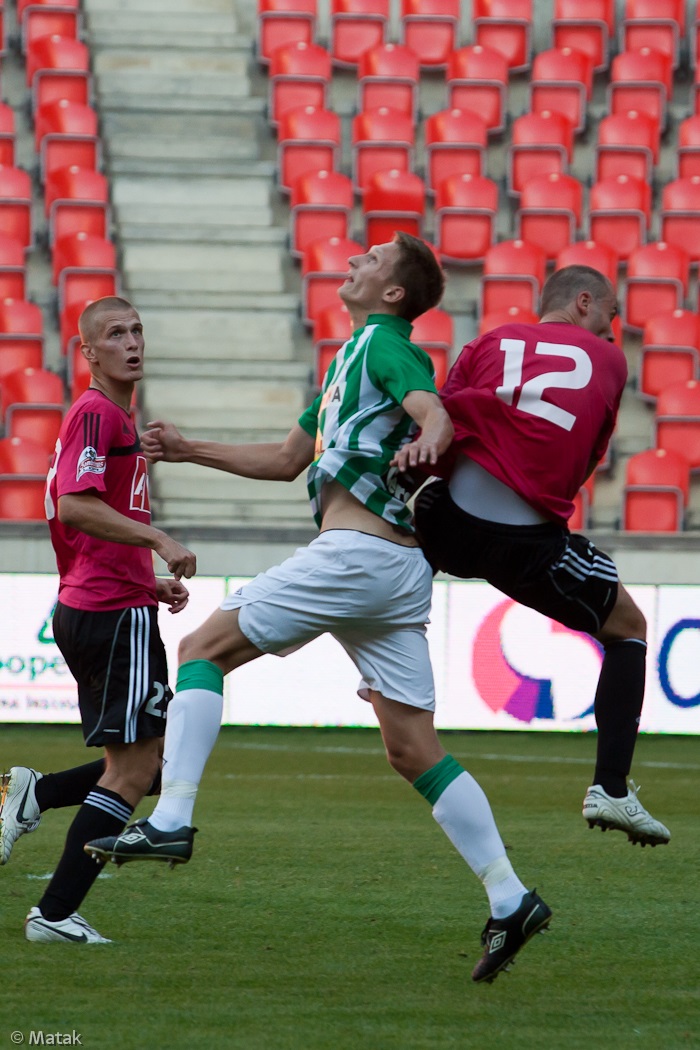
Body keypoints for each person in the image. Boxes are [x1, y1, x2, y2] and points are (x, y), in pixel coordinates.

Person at [86, 233, 552, 984]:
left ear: (393, 293)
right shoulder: (346, 365)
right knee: (412, 749)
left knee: (203, 649)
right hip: (395, 571)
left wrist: (430, 438)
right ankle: (510, 895)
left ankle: (171, 818)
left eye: (370, 259)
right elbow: (283, 459)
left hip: (357, 557)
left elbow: (434, 411)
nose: (355, 261)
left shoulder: (381, 344)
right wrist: (183, 448)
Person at [404, 264, 669, 848]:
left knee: (400, 539)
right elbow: (584, 456)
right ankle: (611, 788)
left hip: (447, 521)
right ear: (582, 302)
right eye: (609, 313)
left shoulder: (487, 342)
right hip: (523, 540)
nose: (611, 326)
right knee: (628, 628)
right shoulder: (610, 361)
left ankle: (380, 661)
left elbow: (438, 423)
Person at [13, 295, 197, 945]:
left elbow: (92, 532)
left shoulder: (116, 417)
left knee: (153, 762)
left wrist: (150, 580)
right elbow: (74, 508)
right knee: (134, 771)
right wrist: (160, 542)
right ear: (89, 352)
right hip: (110, 617)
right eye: (115, 333)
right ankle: (55, 915)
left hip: (114, 603)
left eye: (137, 329)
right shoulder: (96, 413)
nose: (132, 341)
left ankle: (31, 796)